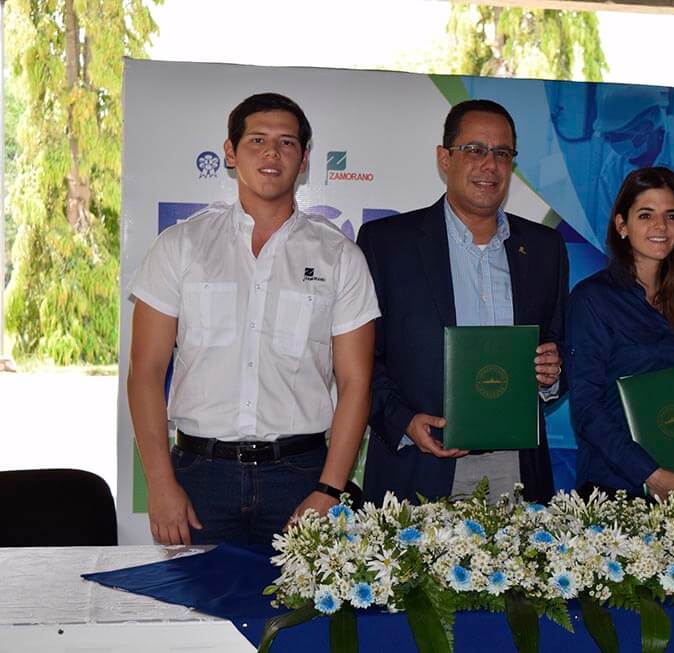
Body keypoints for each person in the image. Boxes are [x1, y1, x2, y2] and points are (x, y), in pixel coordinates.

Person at [127, 93, 379, 546]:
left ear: (304, 159)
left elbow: (356, 383)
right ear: (230, 151)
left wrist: (328, 490)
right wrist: (160, 485)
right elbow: (145, 372)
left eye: (286, 143)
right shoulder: (180, 246)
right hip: (199, 478)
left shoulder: (340, 256)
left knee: (301, 616)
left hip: (300, 477)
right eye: (257, 140)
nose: (271, 153)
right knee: (197, 615)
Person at [356, 99, 568, 504]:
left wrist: (553, 372)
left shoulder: (545, 248)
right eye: (474, 149)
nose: (490, 165)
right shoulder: (386, 244)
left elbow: (561, 346)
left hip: (517, 468)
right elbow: (362, 361)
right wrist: (403, 422)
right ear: (444, 158)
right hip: (419, 462)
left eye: (502, 153)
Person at [567, 167, 674, 499]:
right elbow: (587, 408)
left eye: (671, 216)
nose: (660, 227)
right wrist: (651, 474)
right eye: (646, 215)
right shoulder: (593, 299)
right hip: (616, 490)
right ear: (622, 225)